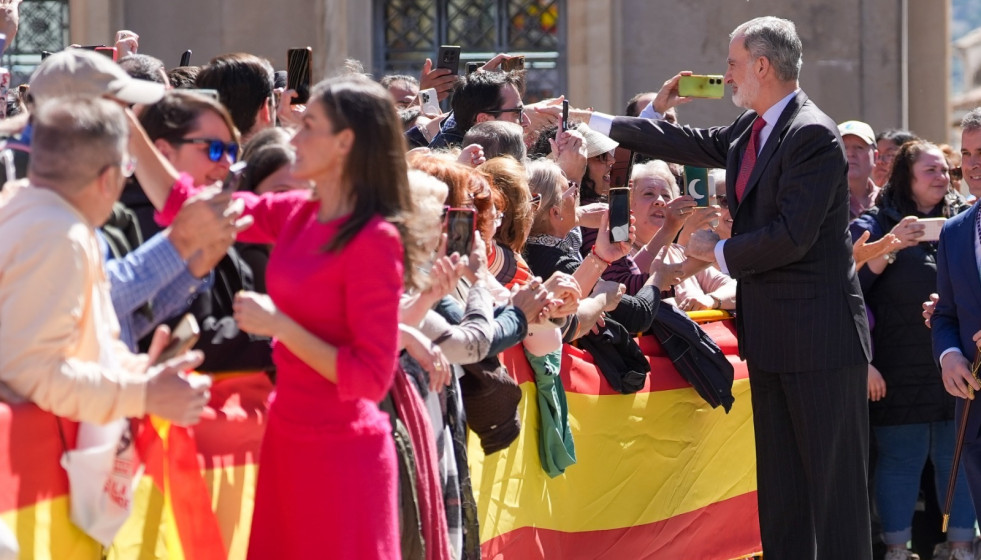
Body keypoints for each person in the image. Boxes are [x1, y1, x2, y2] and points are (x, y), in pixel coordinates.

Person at [578, 16, 873, 558]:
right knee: (782, 497)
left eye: (733, 65)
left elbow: (791, 238)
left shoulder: (811, 133)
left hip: (821, 343)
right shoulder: (753, 127)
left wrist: (711, 250)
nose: (726, 76)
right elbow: (689, 140)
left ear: (763, 65)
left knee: (837, 501)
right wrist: (594, 121)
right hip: (774, 339)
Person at [156, 75, 416, 558]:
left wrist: (281, 327)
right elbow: (189, 208)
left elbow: (369, 379)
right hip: (286, 440)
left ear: (345, 142)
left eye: (308, 126)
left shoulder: (374, 239)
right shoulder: (298, 212)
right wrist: (129, 128)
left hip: (343, 456)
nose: (292, 137)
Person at [0, 97, 209, 426]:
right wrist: (143, 394)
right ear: (108, 177)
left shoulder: (36, 212)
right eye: (129, 168)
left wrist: (139, 373)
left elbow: (89, 343)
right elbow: (30, 372)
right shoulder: (59, 235)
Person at [851, 140, 975, 560]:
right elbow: (846, 291)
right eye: (930, 171)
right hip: (896, 371)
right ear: (906, 177)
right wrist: (888, 246)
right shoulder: (874, 223)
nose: (942, 178)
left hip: (956, 367)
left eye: (945, 170)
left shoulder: (964, 223)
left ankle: (960, 546)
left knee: (956, 457)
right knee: (900, 462)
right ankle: (897, 551)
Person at [933, 107, 981, 542]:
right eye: (966, 154)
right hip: (975, 408)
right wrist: (949, 356)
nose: (973, 164)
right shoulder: (955, 231)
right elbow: (946, 314)